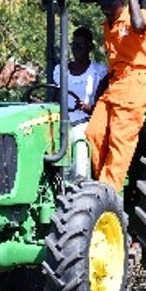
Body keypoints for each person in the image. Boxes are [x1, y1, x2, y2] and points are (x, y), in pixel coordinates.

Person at [85, 0, 146, 193]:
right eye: (103, 6)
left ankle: (106, 192)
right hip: (116, 85)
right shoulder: (108, 26)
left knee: (120, 139)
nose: (106, 10)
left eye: (110, 5)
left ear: (122, 1)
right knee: (94, 133)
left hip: (138, 83)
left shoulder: (138, 17)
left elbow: (138, 26)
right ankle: (103, 189)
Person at [53, 26, 108, 178]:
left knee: (78, 136)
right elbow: (55, 97)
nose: (77, 49)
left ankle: (80, 179)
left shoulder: (99, 72)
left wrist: (86, 107)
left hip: (85, 120)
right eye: (74, 45)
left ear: (90, 47)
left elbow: (101, 106)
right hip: (62, 120)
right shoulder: (60, 71)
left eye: (81, 45)